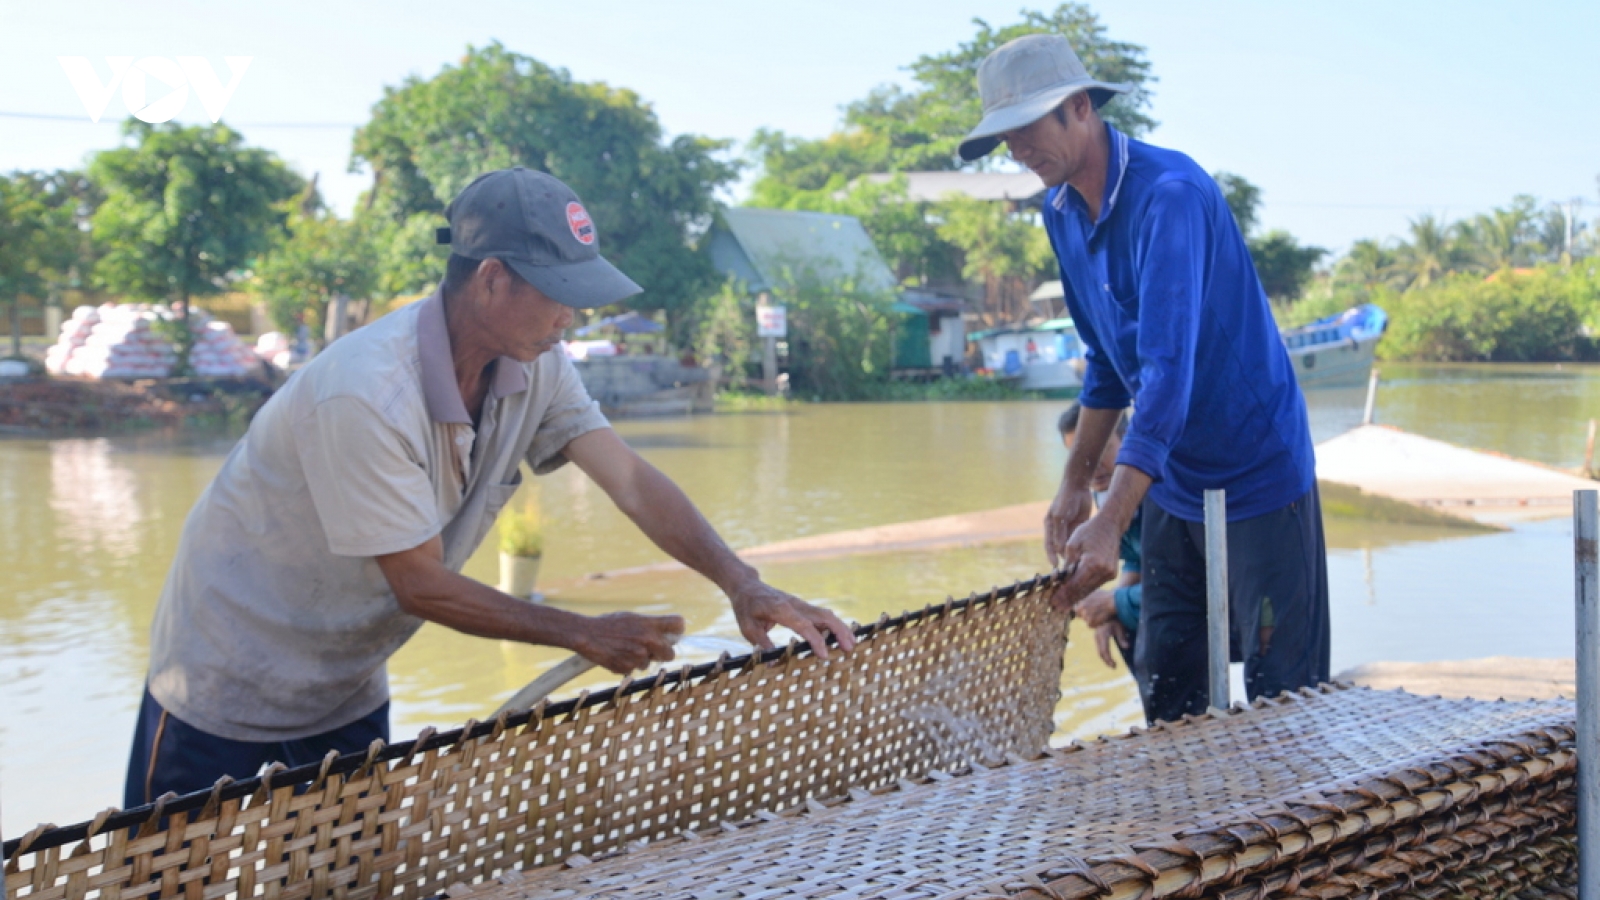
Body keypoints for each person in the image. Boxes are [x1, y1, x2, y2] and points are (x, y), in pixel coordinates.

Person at [125, 168, 856, 807]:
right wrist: (583, 632)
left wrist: (743, 583)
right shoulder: (366, 393)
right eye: (560, 293)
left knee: (356, 875)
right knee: (173, 877)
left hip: (345, 681)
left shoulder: (537, 360)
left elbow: (630, 479)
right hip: (222, 678)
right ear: (493, 278)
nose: (572, 316)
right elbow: (420, 585)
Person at [958, 35, 1328, 721]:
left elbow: (1165, 374)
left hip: (1257, 470)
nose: (1015, 151)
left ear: (1078, 108)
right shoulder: (1061, 209)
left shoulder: (1171, 196)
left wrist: (1109, 521)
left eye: (1025, 130)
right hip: (1171, 477)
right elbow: (1106, 363)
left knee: (1285, 690)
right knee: (1168, 674)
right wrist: (1072, 489)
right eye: (1003, 138)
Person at [1056, 404, 1147, 713]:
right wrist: (1112, 609)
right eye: (1079, 456)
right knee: (1119, 621)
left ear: (1128, 442)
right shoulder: (1103, 489)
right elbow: (1137, 559)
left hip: (1226, 606)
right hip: (1173, 595)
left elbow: (1188, 585)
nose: (1091, 466)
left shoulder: (1157, 493)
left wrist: (1113, 603)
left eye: (1103, 449)